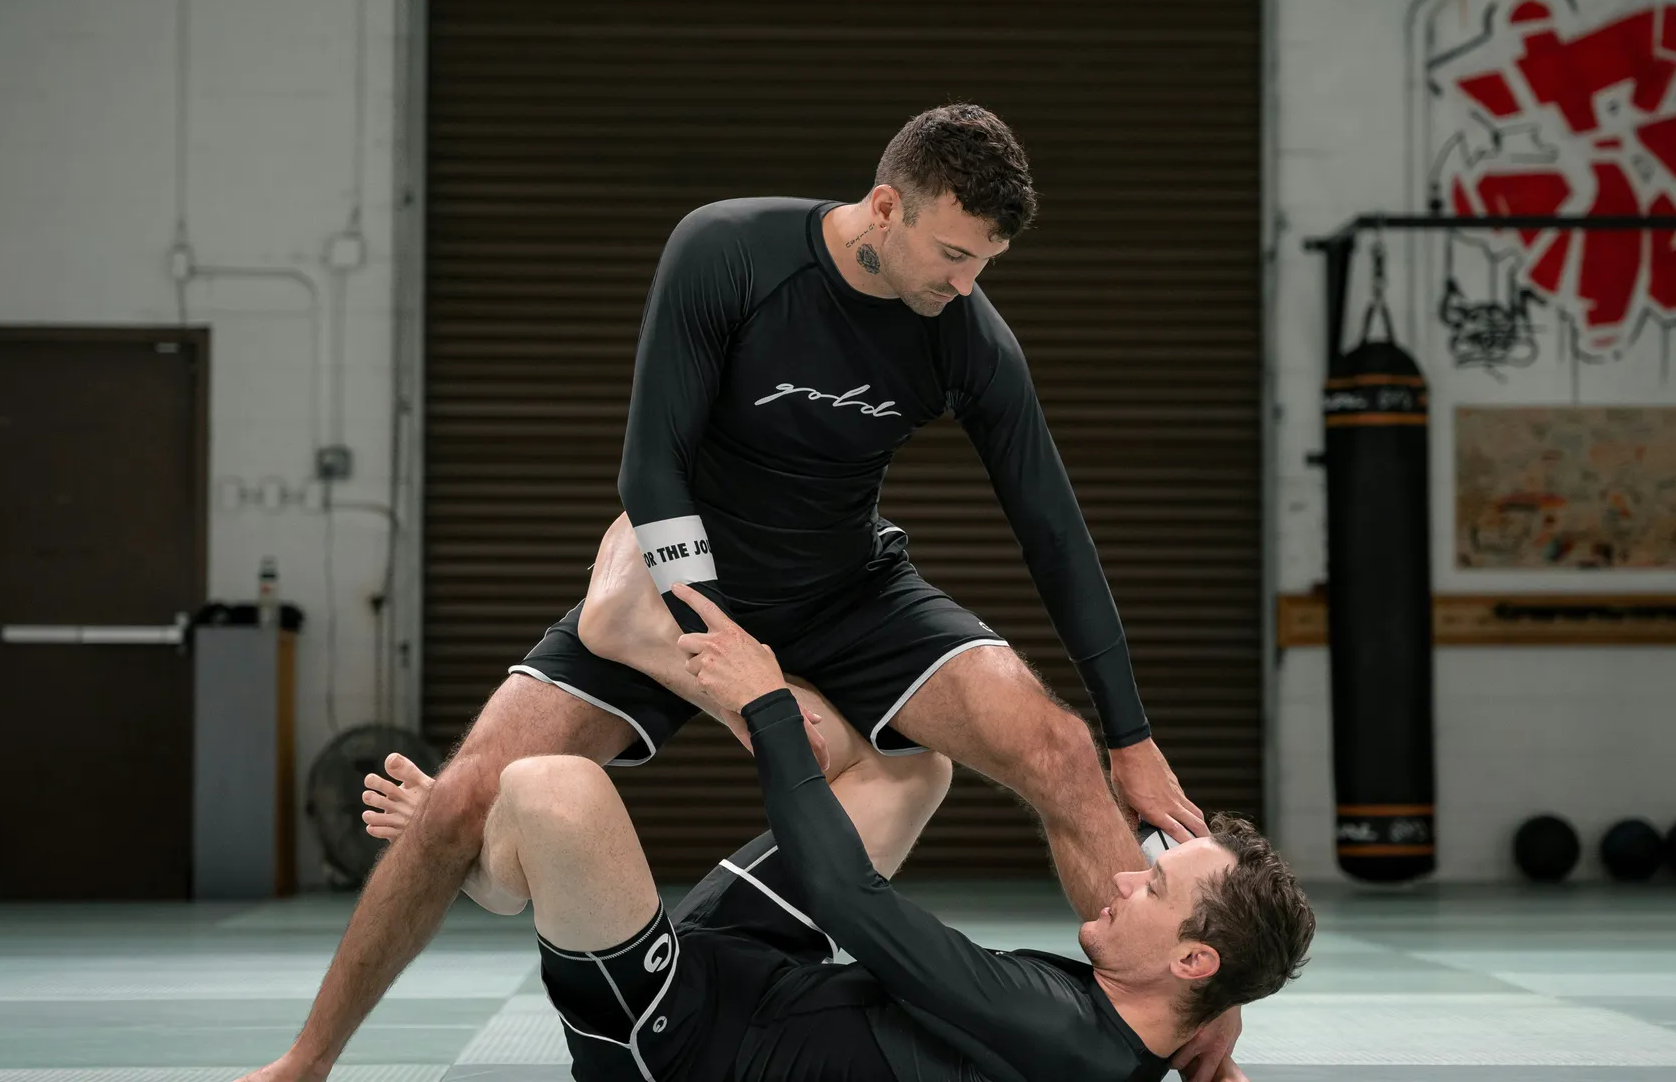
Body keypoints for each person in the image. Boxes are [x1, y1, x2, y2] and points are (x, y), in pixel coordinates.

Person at [242, 104, 1232, 1082]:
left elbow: (1053, 532)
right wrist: (712, 645)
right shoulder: (730, 252)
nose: (967, 283)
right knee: (458, 798)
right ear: (887, 206)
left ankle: (1171, 1043)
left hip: (851, 588)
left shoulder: (964, 334)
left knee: (1057, 747)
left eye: (985, 264)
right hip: (693, 579)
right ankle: (307, 1061)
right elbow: (651, 469)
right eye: (954, 254)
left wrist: (1132, 740)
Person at [359, 581, 1315, 1082]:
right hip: (753, 973)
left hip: (670, 1040)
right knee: (913, 768)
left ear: (1193, 962)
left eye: (1152, 890)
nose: (1118, 879)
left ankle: (491, 869)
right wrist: (1212, 1028)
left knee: (554, 786)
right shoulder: (1123, 1033)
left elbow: (848, 900)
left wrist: (767, 703)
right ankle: (518, 847)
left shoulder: (1065, 1038)